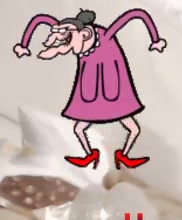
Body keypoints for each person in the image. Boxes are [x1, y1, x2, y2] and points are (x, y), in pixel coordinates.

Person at [13, 9, 166, 169]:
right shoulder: (74, 35)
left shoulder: (105, 37)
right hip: (91, 92)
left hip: (113, 90)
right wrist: (24, 45)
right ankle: (91, 155)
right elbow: (40, 20)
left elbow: (136, 14)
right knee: (80, 128)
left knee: (131, 129)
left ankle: (121, 155)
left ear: (85, 34)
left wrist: (155, 40)